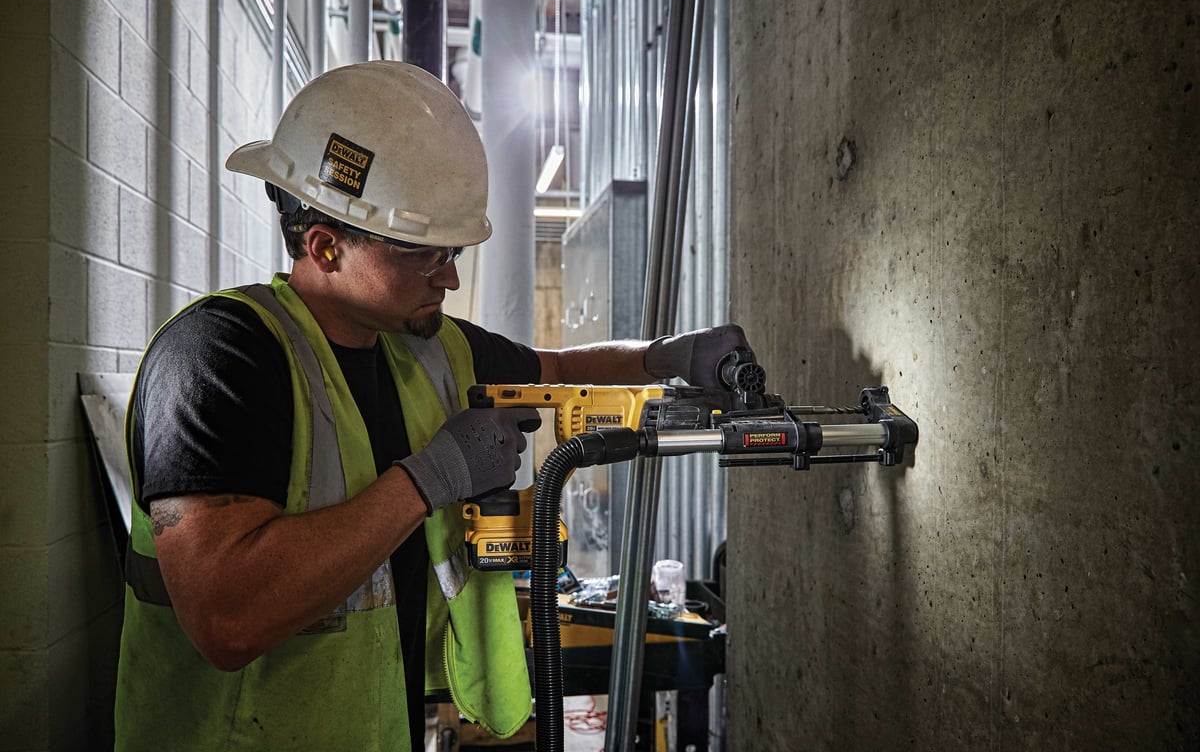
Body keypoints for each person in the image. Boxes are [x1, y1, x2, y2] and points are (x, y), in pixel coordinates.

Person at [113, 60, 753, 752]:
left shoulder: (424, 347)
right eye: (426, 256)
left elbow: (561, 368)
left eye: (452, 253)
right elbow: (226, 620)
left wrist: (667, 355)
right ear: (326, 247)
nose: (448, 276)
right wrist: (431, 478)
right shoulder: (219, 359)